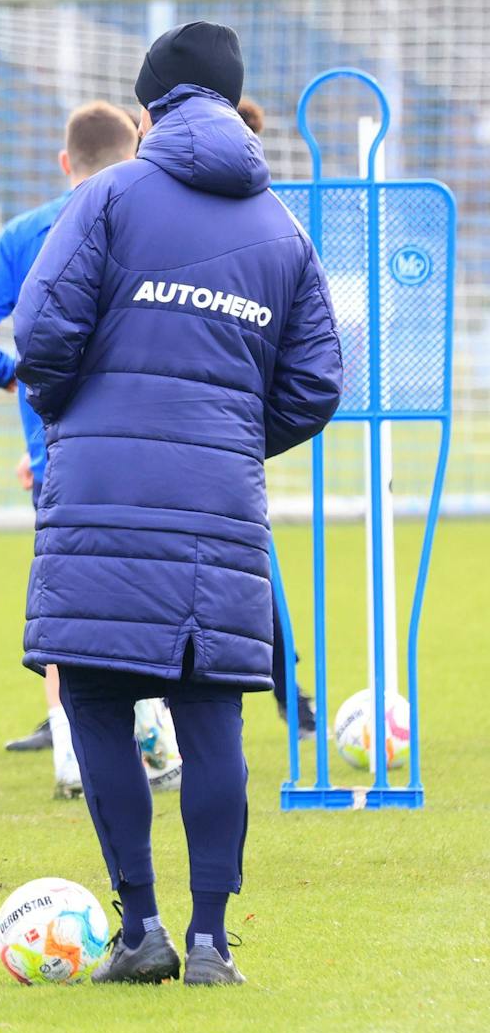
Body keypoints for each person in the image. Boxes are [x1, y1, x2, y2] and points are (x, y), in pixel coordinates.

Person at [15, 22, 342, 986]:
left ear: (149, 107)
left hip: (103, 503)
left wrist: (76, 410)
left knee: (101, 700)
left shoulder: (109, 196)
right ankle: (210, 941)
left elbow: (40, 334)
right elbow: (317, 381)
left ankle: (140, 928)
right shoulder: (280, 225)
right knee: (212, 722)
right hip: (220, 510)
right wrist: (234, 434)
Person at [0, 103, 181, 800]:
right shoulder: (162, 224)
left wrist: (14, 378)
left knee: (67, 606)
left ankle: (71, 758)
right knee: (145, 595)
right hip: (147, 449)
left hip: (58, 454)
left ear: (64, 164)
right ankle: (157, 742)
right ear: (136, 152)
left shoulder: (28, 233)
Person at [233, 97, 320, 739]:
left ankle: (288, 688)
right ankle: (289, 692)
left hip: (219, 433)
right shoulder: (273, 226)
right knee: (252, 558)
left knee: (254, 562)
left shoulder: (268, 226)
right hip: (228, 433)